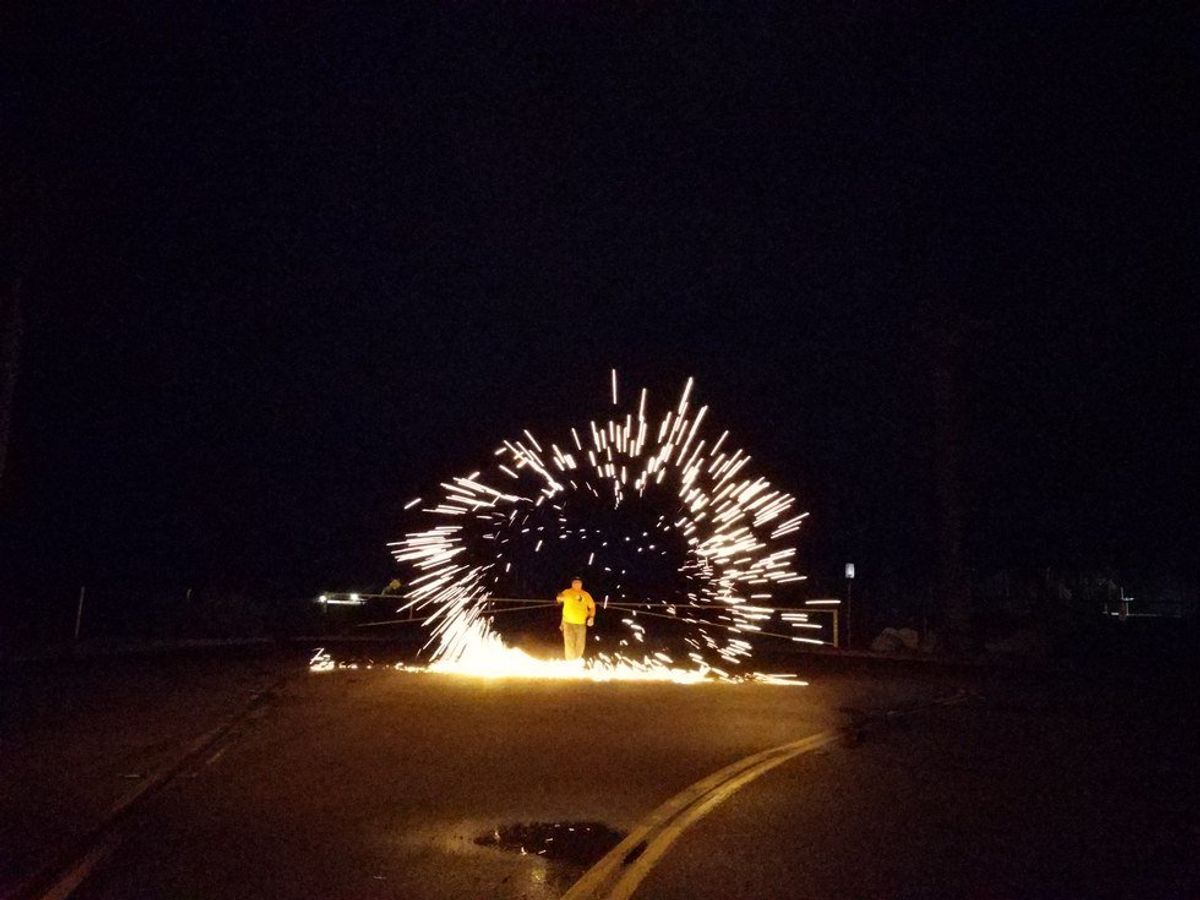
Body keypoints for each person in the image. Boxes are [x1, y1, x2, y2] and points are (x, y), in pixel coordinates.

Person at [556, 577, 595, 661]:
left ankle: (577, 661)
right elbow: (559, 600)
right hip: (568, 623)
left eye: (578, 582)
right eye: (575, 582)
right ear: (572, 584)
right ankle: (570, 663)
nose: (576, 584)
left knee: (580, 645)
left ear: (581, 584)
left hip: (581, 623)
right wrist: (559, 597)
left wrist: (591, 618)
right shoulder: (566, 592)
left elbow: (592, 607)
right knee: (569, 644)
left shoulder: (586, 594)